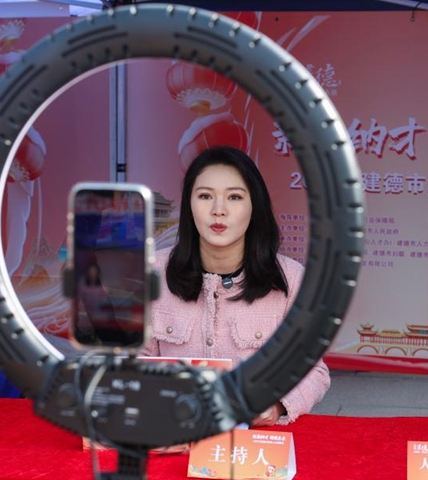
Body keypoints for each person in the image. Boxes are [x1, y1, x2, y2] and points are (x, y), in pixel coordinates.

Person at [140, 146, 330, 427]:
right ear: (189, 205)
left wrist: (277, 404)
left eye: (234, 197)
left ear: (254, 207)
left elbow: (313, 370)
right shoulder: (152, 273)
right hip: (172, 432)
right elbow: (134, 358)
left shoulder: (291, 280)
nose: (218, 210)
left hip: (251, 440)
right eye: (205, 196)